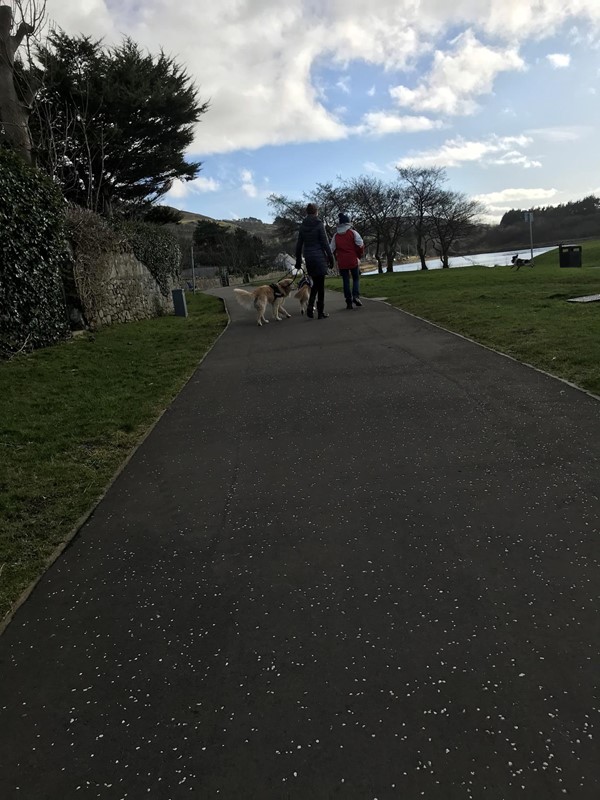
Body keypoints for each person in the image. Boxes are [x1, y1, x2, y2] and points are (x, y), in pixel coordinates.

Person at [295, 203, 334, 319]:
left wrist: (298, 261)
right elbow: (325, 243)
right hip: (319, 257)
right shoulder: (319, 224)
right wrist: (331, 258)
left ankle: (310, 307)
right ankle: (320, 312)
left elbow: (299, 245)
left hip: (309, 258)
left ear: (307, 212)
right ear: (316, 212)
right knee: (320, 285)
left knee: (315, 284)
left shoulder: (302, 226)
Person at [330, 213, 365, 309]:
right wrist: (359, 255)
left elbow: (331, 249)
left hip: (342, 261)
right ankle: (356, 296)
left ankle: (348, 301)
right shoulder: (353, 233)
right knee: (356, 278)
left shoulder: (335, 236)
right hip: (352, 259)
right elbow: (360, 244)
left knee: (345, 281)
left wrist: (331, 260)